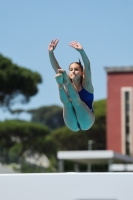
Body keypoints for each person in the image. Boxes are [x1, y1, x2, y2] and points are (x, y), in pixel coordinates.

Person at [48, 39, 95, 132]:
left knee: (76, 101)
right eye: (71, 69)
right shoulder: (68, 78)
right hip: (72, 123)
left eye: (76, 69)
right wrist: (50, 52)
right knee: (67, 103)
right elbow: (55, 66)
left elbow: (87, 66)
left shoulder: (87, 84)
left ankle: (62, 83)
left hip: (86, 121)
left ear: (82, 72)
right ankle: (60, 85)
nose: (73, 71)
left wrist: (81, 51)